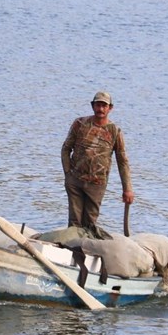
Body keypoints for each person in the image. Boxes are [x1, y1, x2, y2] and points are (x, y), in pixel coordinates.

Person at [60, 90, 134, 230]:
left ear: (110, 108)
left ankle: (88, 248)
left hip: (97, 184)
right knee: (74, 223)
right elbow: (65, 149)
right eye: (98, 105)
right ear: (92, 106)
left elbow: (122, 161)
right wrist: (67, 173)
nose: (100, 109)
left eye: (104, 106)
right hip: (75, 180)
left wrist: (127, 189)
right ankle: (72, 249)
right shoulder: (80, 124)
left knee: (90, 224)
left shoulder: (115, 131)